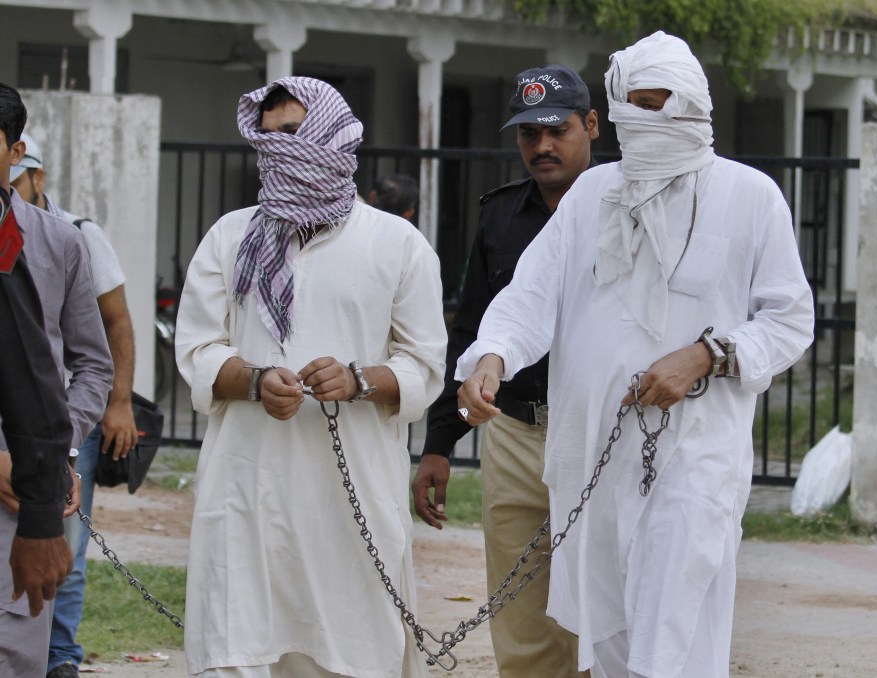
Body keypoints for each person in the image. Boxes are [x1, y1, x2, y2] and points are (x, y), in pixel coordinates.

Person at [455, 32, 815, 678]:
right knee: (611, 635)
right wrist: (493, 356)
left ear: (695, 104)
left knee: (674, 629)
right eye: (633, 104)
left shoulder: (749, 196)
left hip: (694, 459)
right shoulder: (593, 195)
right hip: (592, 460)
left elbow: (790, 320)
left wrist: (709, 354)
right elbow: (530, 294)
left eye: (660, 103)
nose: (646, 119)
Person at [175, 77, 446, 678]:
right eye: (266, 136)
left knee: (347, 650)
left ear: (332, 133)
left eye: (293, 133)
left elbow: (425, 364)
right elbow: (196, 347)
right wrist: (251, 379)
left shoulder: (397, 244)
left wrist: (359, 380)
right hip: (247, 483)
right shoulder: (231, 236)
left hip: (350, 493)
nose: (277, 147)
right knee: (238, 647)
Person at [412, 64, 598, 678]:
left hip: (600, 435)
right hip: (515, 435)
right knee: (521, 616)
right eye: (528, 134)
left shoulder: (624, 209)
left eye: (558, 130)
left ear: (591, 126)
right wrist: (440, 442)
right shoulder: (499, 215)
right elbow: (469, 326)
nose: (543, 146)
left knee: (604, 607)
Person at [11, 131, 139, 678]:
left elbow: (110, 329)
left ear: (31, 172)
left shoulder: (71, 239)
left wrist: (117, 404)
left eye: (17, 179)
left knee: (65, 545)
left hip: (57, 429)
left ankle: (59, 656)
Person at [0, 82, 111, 677]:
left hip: (30, 482)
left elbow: (91, 363)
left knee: (20, 633)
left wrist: (54, 450)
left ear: (15, 153)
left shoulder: (58, 242)